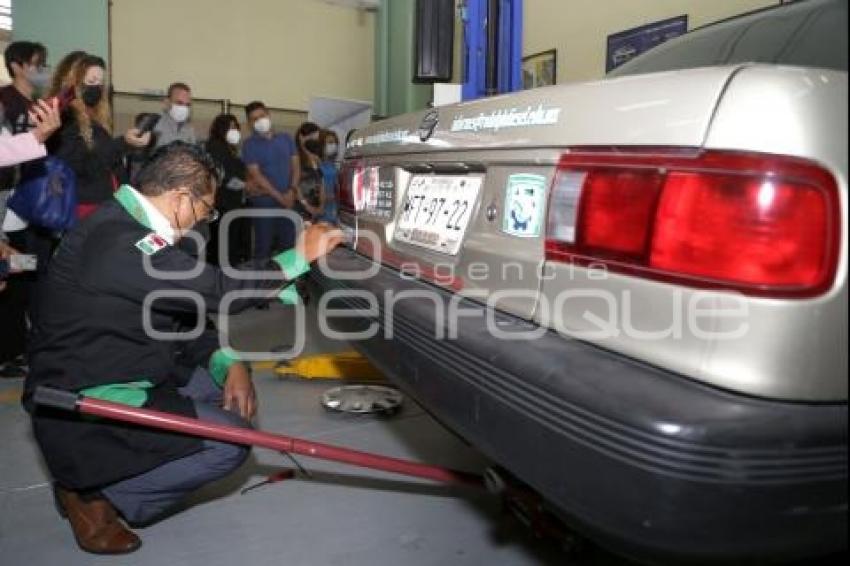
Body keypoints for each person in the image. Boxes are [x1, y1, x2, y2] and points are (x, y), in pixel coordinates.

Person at [23, 142, 342, 555]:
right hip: (82, 403)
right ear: (179, 198)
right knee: (230, 442)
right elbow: (217, 290)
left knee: (220, 387)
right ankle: (90, 493)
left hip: (124, 365)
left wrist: (229, 362)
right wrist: (299, 255)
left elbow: (183, 312)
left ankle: (119, 471)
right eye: (206, 210)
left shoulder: (127, 228)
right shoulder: (120, 242)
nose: (203, 221)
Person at [46, 54, 151, 219]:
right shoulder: (63, 117)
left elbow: (111, 164)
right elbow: (81, 168)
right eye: (91, 81)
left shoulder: (94, 117)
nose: (98, 88)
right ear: (72, 83)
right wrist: (123, 143)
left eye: (100, 83)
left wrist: (130, 197)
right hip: (82, 207)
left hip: (105, 203)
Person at [0, 40, 49, 379]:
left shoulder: (39, 103)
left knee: (29, 271)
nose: (41, 69)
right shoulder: (4, 101)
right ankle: (8, 352)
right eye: (36, 63)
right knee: (12, 276)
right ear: (17, 65)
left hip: (32, 207)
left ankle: (24, 341)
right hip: (8, 207)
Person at [0, 99, 62, 297]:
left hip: (13, 232)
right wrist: (38, 136)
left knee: (32, 267)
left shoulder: (6, 127)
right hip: (11, 224)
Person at [241, 101, 297, 258]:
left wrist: (292, 190)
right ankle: (261, 282)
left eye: (262, 116)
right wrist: (281, 197)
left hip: (288, 201)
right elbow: (257, 177)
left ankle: (289, 282)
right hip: (264, 204)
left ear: (269, 115)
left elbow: (296, 166)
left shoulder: (286, 138)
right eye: (254, 119)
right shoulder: (249, 145)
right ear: (250, 124)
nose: (259, 120)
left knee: (289, 247)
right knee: (263, 248)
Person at [205, 113, 250, 266]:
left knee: (231, 245)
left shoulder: (230, 149)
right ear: (221, 129)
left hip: (233, 203)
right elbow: (221, 176)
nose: (235, 130)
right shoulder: (215, 146)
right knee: (223, 247)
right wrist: (246, 185)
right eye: (231, 127)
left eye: (236, 127)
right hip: (222, 204)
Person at [291, 121, 326, 221]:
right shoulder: (294, 157)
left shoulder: (317, 159)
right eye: (311, 137)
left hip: (315, 211)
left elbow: (321, 183)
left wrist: (321, 206)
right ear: (301, 137)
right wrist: (307, 206)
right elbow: (294, 185)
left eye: (317, 138)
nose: (314, 140)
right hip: (299, 209)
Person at [152, 82, 196, 148]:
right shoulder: (153, 123)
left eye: (187, 105)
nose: (184, 108)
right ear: (167, 102)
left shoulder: (189, 129)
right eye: (179, 103)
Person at [318, 129, 341, 223]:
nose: (333, 145)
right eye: (330, 142)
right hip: (320, 212)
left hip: (333, 212)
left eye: (335, 143)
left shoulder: (333, 165)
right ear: (321, 145)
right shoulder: (316, 164)